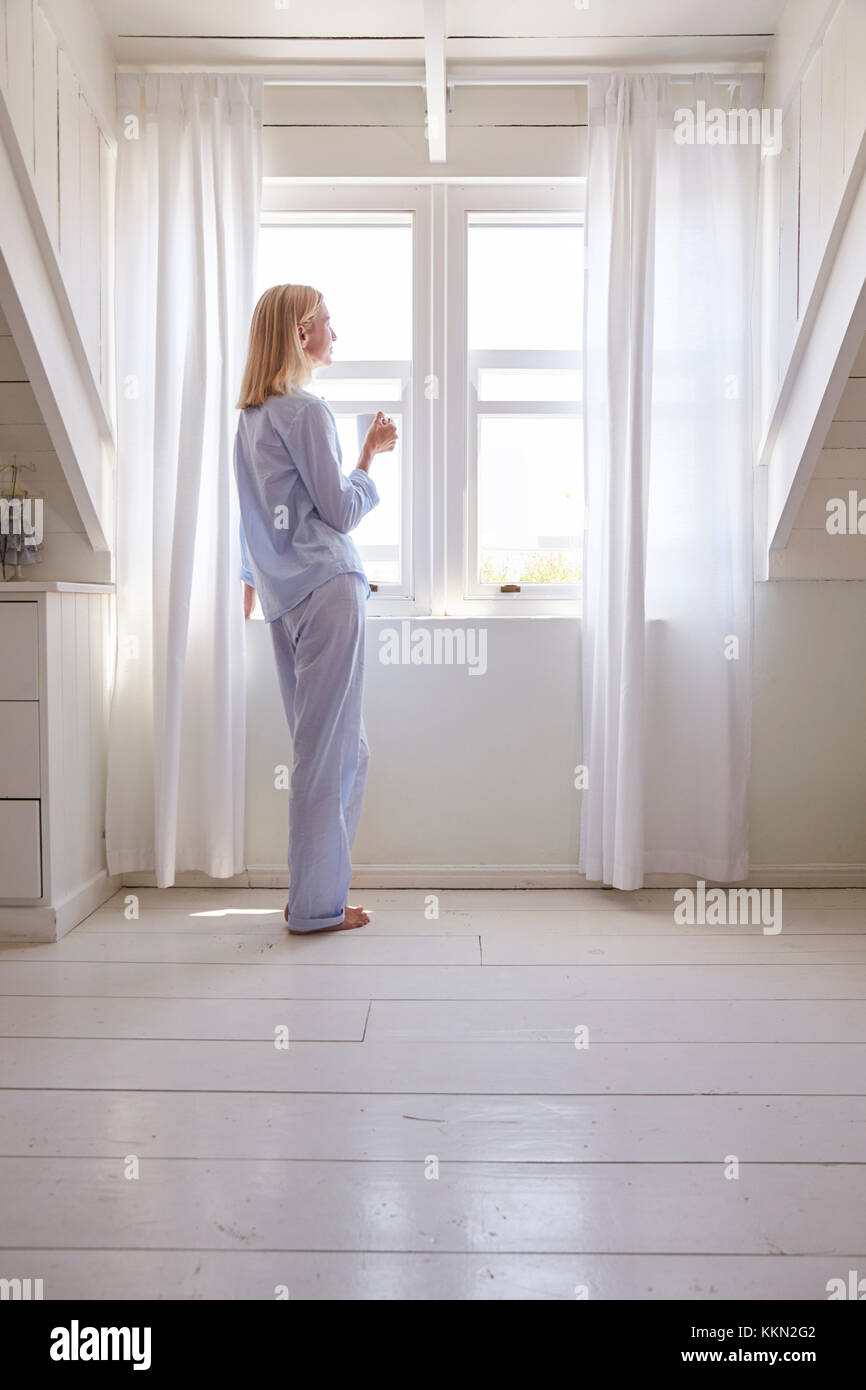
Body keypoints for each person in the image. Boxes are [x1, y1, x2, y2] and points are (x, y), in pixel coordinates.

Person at [233, 284, 397, 933]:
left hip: (285, 598)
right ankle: (314, 908)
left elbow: (252, 524)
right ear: (301, 334)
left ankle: (316, 894)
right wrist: (369, 458)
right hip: (328, 587)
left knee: (335, 748)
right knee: (329, 753)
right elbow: (340, 511)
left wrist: (252, 591)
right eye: (328, 323)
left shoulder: (250, 420)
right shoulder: (305, 412)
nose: (335, 334)